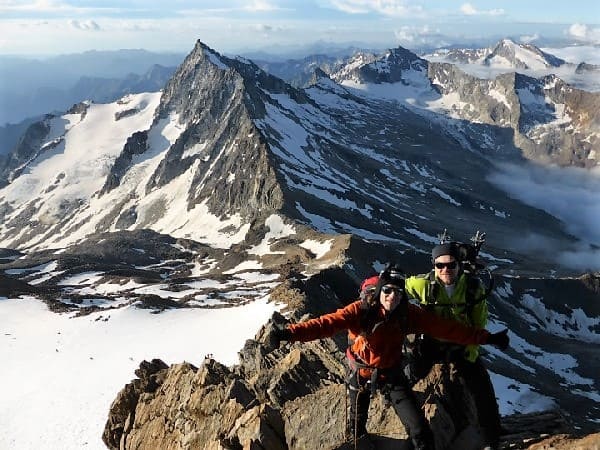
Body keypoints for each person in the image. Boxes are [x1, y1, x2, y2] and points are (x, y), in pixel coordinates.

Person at [274, 263, 509, 450]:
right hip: (361, 373)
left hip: (392, 374)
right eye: (387, 290)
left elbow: (448, 329)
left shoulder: (409, 314)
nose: (392, 297)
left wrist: (487, 338)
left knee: (420, 432)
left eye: (398, 292)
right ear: (379, 291)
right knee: (356, 433)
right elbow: (325, 324)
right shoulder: (360, 311)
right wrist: (287, 334)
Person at [404, 242, 504, 450]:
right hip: (431, 343)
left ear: (459, 265)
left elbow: (478, 324)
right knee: (410, 374)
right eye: (440, 266)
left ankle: (492, 438)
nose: (445, 270)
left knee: (481, 387)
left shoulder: (472, 288)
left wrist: (470, 352)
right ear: (433, 266)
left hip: (461, 345)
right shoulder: (423, 285)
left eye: (451, 265)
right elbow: (398, 288)